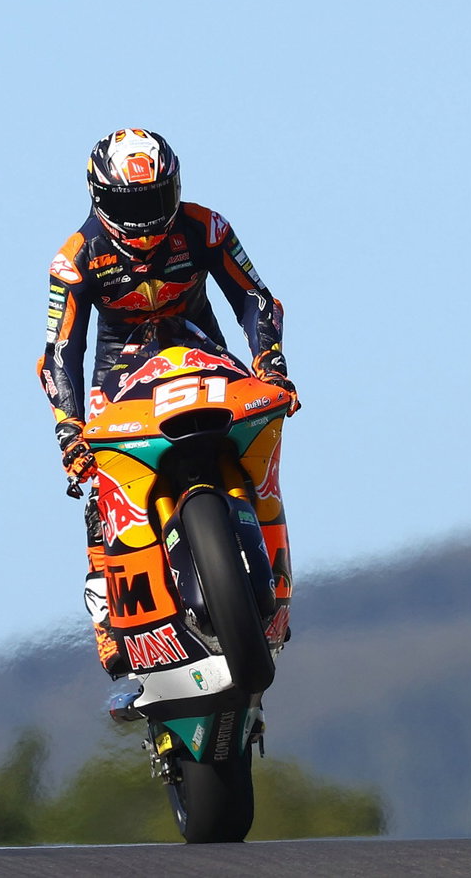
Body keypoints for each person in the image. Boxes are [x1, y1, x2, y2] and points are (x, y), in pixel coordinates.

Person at [35, 128, 299, 678]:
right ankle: (109, 616)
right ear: (100, 199)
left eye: (156, 199)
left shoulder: (207, 227)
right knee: (102, 488)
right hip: (119, 377)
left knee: (258, 437)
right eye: (132, 206)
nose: (147, 218)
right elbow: (61, 350)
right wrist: (70, 430)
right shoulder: (74, 260)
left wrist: (270, 363)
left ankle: (267, 575)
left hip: (204, 356)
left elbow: (254, 297)